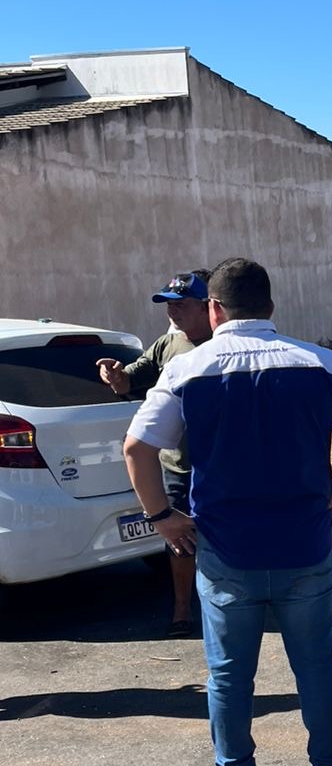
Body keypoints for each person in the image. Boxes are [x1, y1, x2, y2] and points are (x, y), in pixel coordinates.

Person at [122, 258, 332, 766]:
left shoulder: (188, 369)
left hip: (225, 550)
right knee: (316, 668)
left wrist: (162, 517)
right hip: (304, 545)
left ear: (214, 309)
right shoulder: (318, 362)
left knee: (228, 674)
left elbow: (137, 449)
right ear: (270, 306)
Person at [97, 270, 213, 638]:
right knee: (180, 543)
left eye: (182, 305)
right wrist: (115, 375)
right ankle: (182, 611)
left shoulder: (225, 344)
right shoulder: (167, 345)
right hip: (178, 465)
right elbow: (131, 378)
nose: (173, 313)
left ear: (208, 307)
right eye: (168, 306)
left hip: (222, 465)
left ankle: (232, 606)